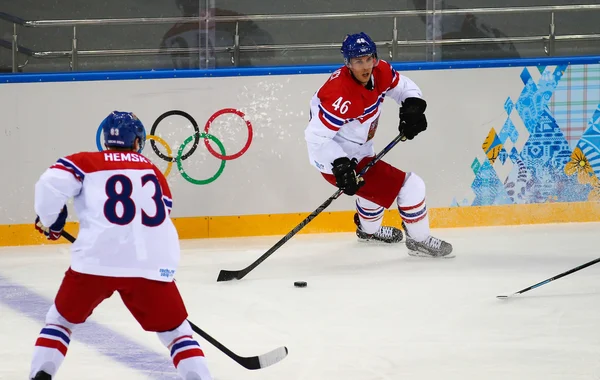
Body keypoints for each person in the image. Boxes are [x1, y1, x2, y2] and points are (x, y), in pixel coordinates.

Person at [30, 111, 213, 379]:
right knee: (176, 333)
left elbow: (49, 184)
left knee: (60, 321)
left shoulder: (84, 162)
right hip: (150, 263)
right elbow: (164, 211)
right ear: (138, 142)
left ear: (105, 140)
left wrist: (53, 220)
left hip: (96, 261)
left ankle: (40, 375)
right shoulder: (152, 171)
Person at [304, 32, 453, 258]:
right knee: (411, 186)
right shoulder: (340, 96)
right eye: (358, 61)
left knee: (371, 193)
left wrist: (412, 105)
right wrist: (341, 164)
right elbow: (315, 138)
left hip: (361, 149)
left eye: (368, 59)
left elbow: (403, 86)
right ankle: (419, 240)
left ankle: (368, 231)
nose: (365, 66)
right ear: (348, 63)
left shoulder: (379, 70)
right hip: (336, 159)